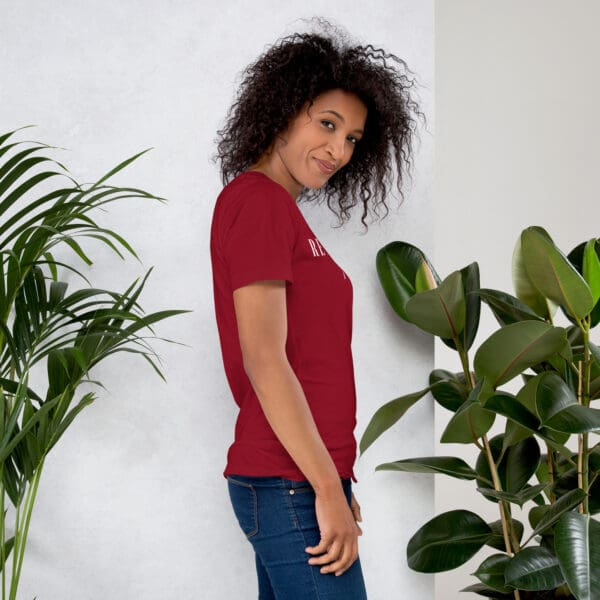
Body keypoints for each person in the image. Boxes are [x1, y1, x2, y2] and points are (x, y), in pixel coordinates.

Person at [210, 22, 424, 599]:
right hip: (287, 479)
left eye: (353, 138)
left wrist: (334, 479)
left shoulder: (280, 211)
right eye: (326, 124)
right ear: (282, 111)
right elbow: (265, 359)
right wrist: (325, 489)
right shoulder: (257, 203)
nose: (337, 150)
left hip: (299, 475)